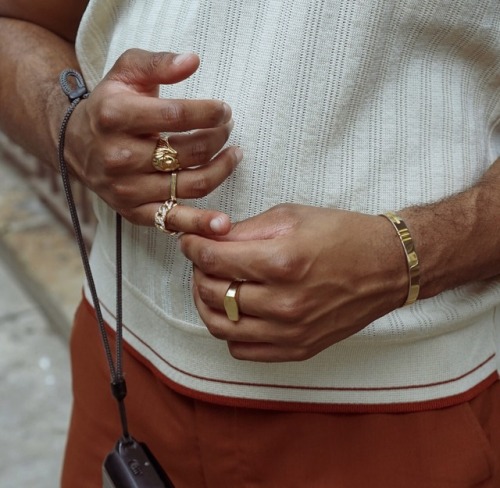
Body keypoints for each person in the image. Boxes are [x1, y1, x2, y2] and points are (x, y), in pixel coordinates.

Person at [1, 1, 500, 486]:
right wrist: (69, 128)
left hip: (411, 408)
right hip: (121, 375)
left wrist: (405, 258)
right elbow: (16, 23)